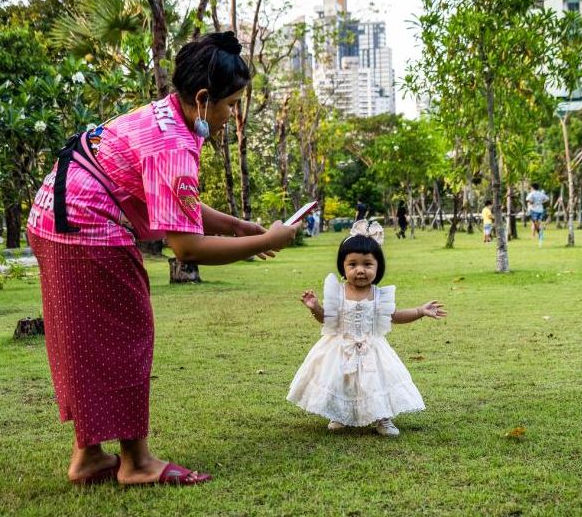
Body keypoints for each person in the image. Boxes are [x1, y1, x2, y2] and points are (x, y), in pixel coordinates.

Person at [26, 32, 301, 487]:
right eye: (231, 105)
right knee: (126, 337)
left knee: (84, 342)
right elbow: (187, 249)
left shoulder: (164, 115)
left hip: (53, 220)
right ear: (203, 97)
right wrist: (269, 240)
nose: (233, 116)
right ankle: (136, 462)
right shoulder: (174, 143)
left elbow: (176, 204)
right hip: (87, 227)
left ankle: (89, 457)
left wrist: (239, 227)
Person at [287, 220, 447, 436]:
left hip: (372, 347)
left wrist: (419, 311)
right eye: (352, 265)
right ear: (343, 266)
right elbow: (327, 319)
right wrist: (315, 307)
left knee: (376, 382)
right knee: (340, 380)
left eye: (367, 264)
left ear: (377, 266)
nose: (360, 270)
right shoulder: (338, 292)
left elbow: (395, 316)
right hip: (340, 345)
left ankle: (383, 418)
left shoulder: (380, 295)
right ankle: (339, 414)